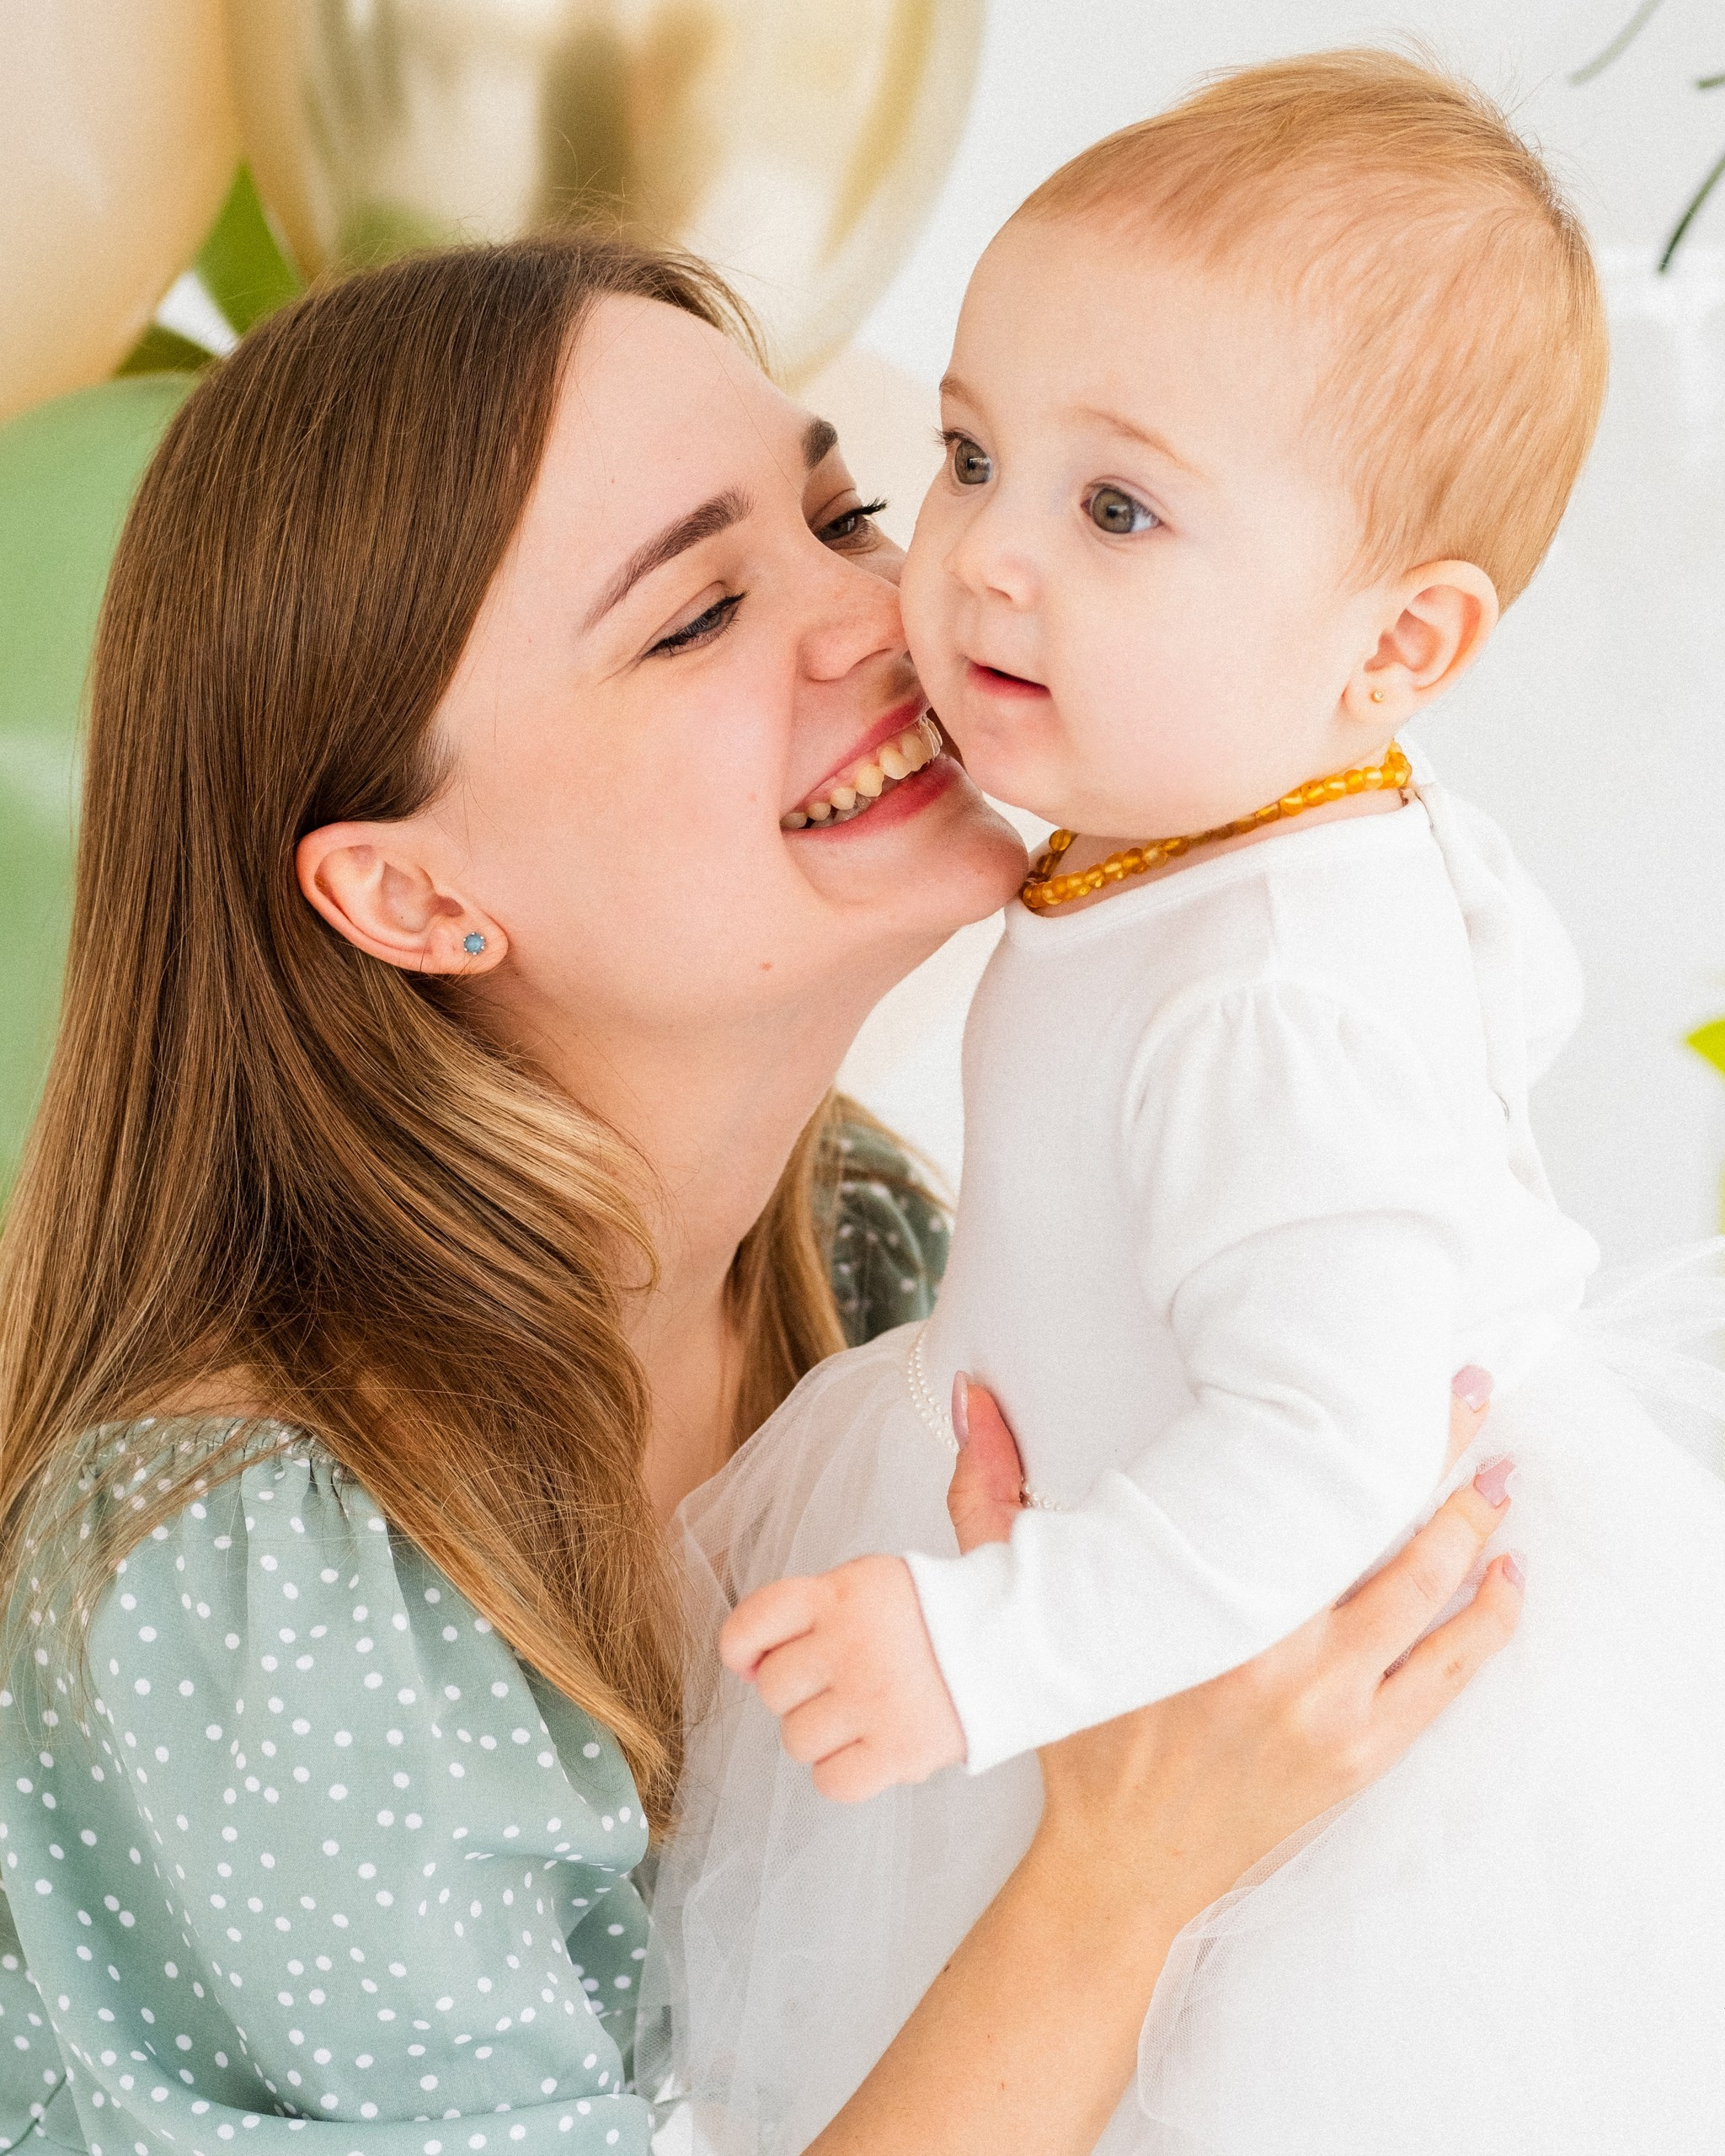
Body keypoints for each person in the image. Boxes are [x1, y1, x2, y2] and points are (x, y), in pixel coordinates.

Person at [0, 233, 1520, 2156]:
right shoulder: (262, 1572)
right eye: (697, 611)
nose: (903, 606)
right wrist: (1118, 1874)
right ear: (412, 894)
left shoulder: (874, 1243)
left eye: (848, 510)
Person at [660, 51, 1725, 2154]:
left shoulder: (1270, 989)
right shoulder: (1238, 831)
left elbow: (1323, 1453)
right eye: (967, 454)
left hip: (1304, 1721)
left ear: (1398, 641)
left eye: (1116, 506)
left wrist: (990, 1641)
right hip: (1140, 1578)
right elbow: (1496, 959)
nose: (980, 561)